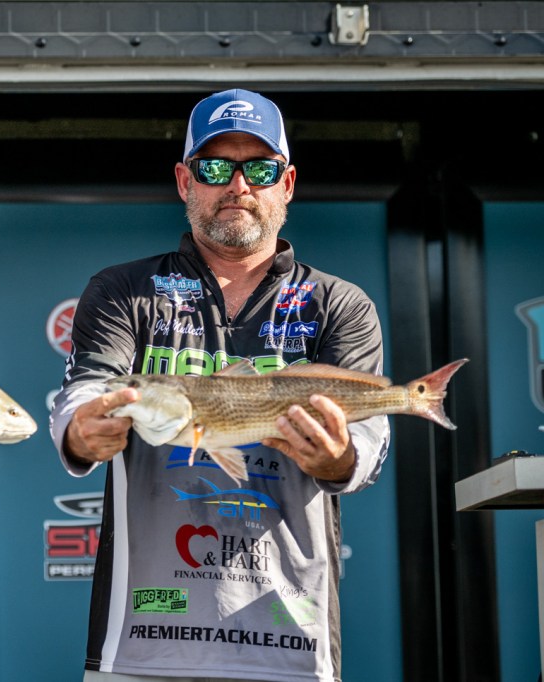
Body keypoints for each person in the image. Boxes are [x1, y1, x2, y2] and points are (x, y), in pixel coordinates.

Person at [49, 89, 389, 682]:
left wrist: (339, 457)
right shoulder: (124, 289)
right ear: (185, 181)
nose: (238, 185)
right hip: (142, 643)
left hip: (291, 642)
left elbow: (369, 441)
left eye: (260, 169)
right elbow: (84, 392)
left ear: (287, 184)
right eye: (214, 168)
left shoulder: (340, 303)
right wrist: (81, 431)